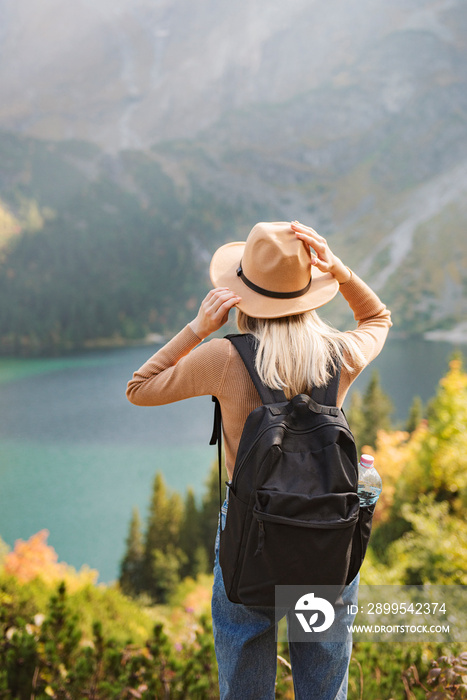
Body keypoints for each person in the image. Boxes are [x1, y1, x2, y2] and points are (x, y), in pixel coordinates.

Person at [126, 220, 392, 699]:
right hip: (327, 527)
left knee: (246, 674)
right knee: (323, 679)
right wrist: (342, 272)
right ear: (309, 291)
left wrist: (197, 329)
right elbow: (378, 320)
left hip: (251, 533)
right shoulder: (339, 353)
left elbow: (139, 389)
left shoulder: (223, 358)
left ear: (243, 294)